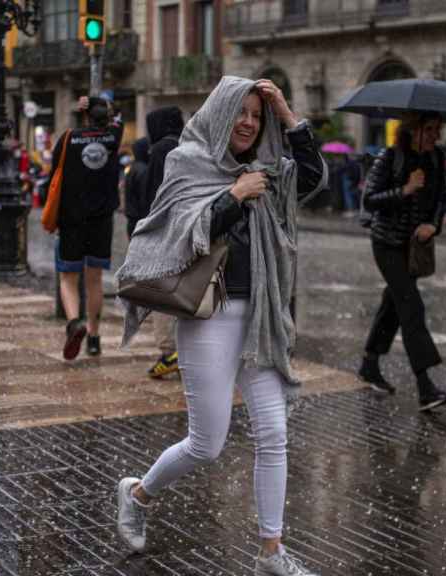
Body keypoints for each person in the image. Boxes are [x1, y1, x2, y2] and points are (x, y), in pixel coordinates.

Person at [114, 76, 326, 575]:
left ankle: (271, 552)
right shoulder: (187, 161)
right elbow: (176, 235)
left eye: (257, 114)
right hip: (211, 315)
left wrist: (288, 116)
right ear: (220, 112)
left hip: (262, 319)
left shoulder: (268, 169)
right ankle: (138, 493)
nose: (250, 122)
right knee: (207, 444)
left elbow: (313, 179)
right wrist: (232, 195)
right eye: (241, 111)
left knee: (273, 434)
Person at [357, 111, 446, 412]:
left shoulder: (436, 159)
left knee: (395, 303)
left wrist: (433, 226)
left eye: (438, 130)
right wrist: (406, 189)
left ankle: (369, 364)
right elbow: (370, 198)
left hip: (411, 247)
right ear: (413, 130)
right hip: (386, 242)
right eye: (430, 129)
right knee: (411, 305)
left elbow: (441, 199)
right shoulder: (390, 157)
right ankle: (425, 387)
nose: (435, 135)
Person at [49, 96, 123, 359]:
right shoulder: (113, 138)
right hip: (101, 220)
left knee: (68, 277)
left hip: (71, 219)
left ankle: (74, 323)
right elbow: (116, 119)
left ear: (84, 116)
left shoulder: (69, 138)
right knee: (94, 280)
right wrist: (94, 102)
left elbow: (53, 175)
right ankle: (93, 336)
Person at [143, 106, 185, 378]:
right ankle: (186, 349)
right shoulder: (187, 146)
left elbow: (153, 194)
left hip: (164, 231)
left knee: (160, 293)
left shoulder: (160, 150)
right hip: (186, 228)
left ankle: (168, 350)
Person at [123, 136, 150, 238]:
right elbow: (144, 198)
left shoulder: (134, 167)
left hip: (132, 219)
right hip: (139, 220)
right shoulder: (143, 170)